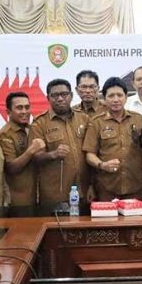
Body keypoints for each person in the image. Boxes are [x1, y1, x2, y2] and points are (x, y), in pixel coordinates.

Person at [83, 77, 142, 201]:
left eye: (119, 95)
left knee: (136, 220)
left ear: (126, 97)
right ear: (104, 99)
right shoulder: (96, 122)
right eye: (111, 96)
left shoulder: (138, 119)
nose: (116, 99)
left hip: (136, 187)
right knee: (108, 220)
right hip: (107, 188)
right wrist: (102, 165)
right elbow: (89, 155)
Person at [31, 79, 91, 207]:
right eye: (55, 95)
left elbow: (92, 152)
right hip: (55, 194)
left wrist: (93, 185)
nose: (60, 99)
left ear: (71, 96)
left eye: (64, 94)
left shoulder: (84, 118)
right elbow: (35, 157)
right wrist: (54, 154)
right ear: (48, 98)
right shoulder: (39, 123)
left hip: (84, 191)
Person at [0, 92, 45, 207]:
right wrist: (30, 151)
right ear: (8, 112)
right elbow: (11, 168)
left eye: (27, 107)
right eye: (19, 108)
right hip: (17, 198)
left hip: (36, 194)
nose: (24, 112)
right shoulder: (5, 135)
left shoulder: (32, 128)